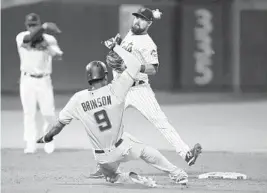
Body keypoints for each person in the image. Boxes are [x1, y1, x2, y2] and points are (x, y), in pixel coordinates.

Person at [36, 41, 189, 187]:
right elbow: (135, 65)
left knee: (111, 176)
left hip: (102, 158)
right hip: (122, 148)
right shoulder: (116, 89)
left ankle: (124, 176)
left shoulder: (78, 99)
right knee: (143, 150)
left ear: (89, 78)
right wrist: (117, 47)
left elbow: (59, 124)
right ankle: (177, 173)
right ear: (106, 75)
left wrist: (47, 137)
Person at [89, 7, 202, 178]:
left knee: (161, 122)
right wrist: (115, 47)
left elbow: (153, 69)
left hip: (139, 89)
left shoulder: (148, 43)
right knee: (103, 123)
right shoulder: (129, 35)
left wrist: (133, 66)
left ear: (149, 23)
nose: (137, 21)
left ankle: (186, 153)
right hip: (120, 87)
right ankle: (104, 165)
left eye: (142, 19)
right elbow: (121, 57)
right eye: (136, 17)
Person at [16, 13, 63, 154]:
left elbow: (58, 55)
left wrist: (46, 47)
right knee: (28, 113)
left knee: (48, 113)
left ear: (37, 23)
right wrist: (44, 27)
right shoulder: (21, 36)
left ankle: (48, 141)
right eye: (30, 25)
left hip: (44, 80)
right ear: (26, 25)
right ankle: (30, 144)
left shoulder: (49, 39)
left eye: (34, 24)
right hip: (27, 79)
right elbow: (28, 40)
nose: (31, 27)